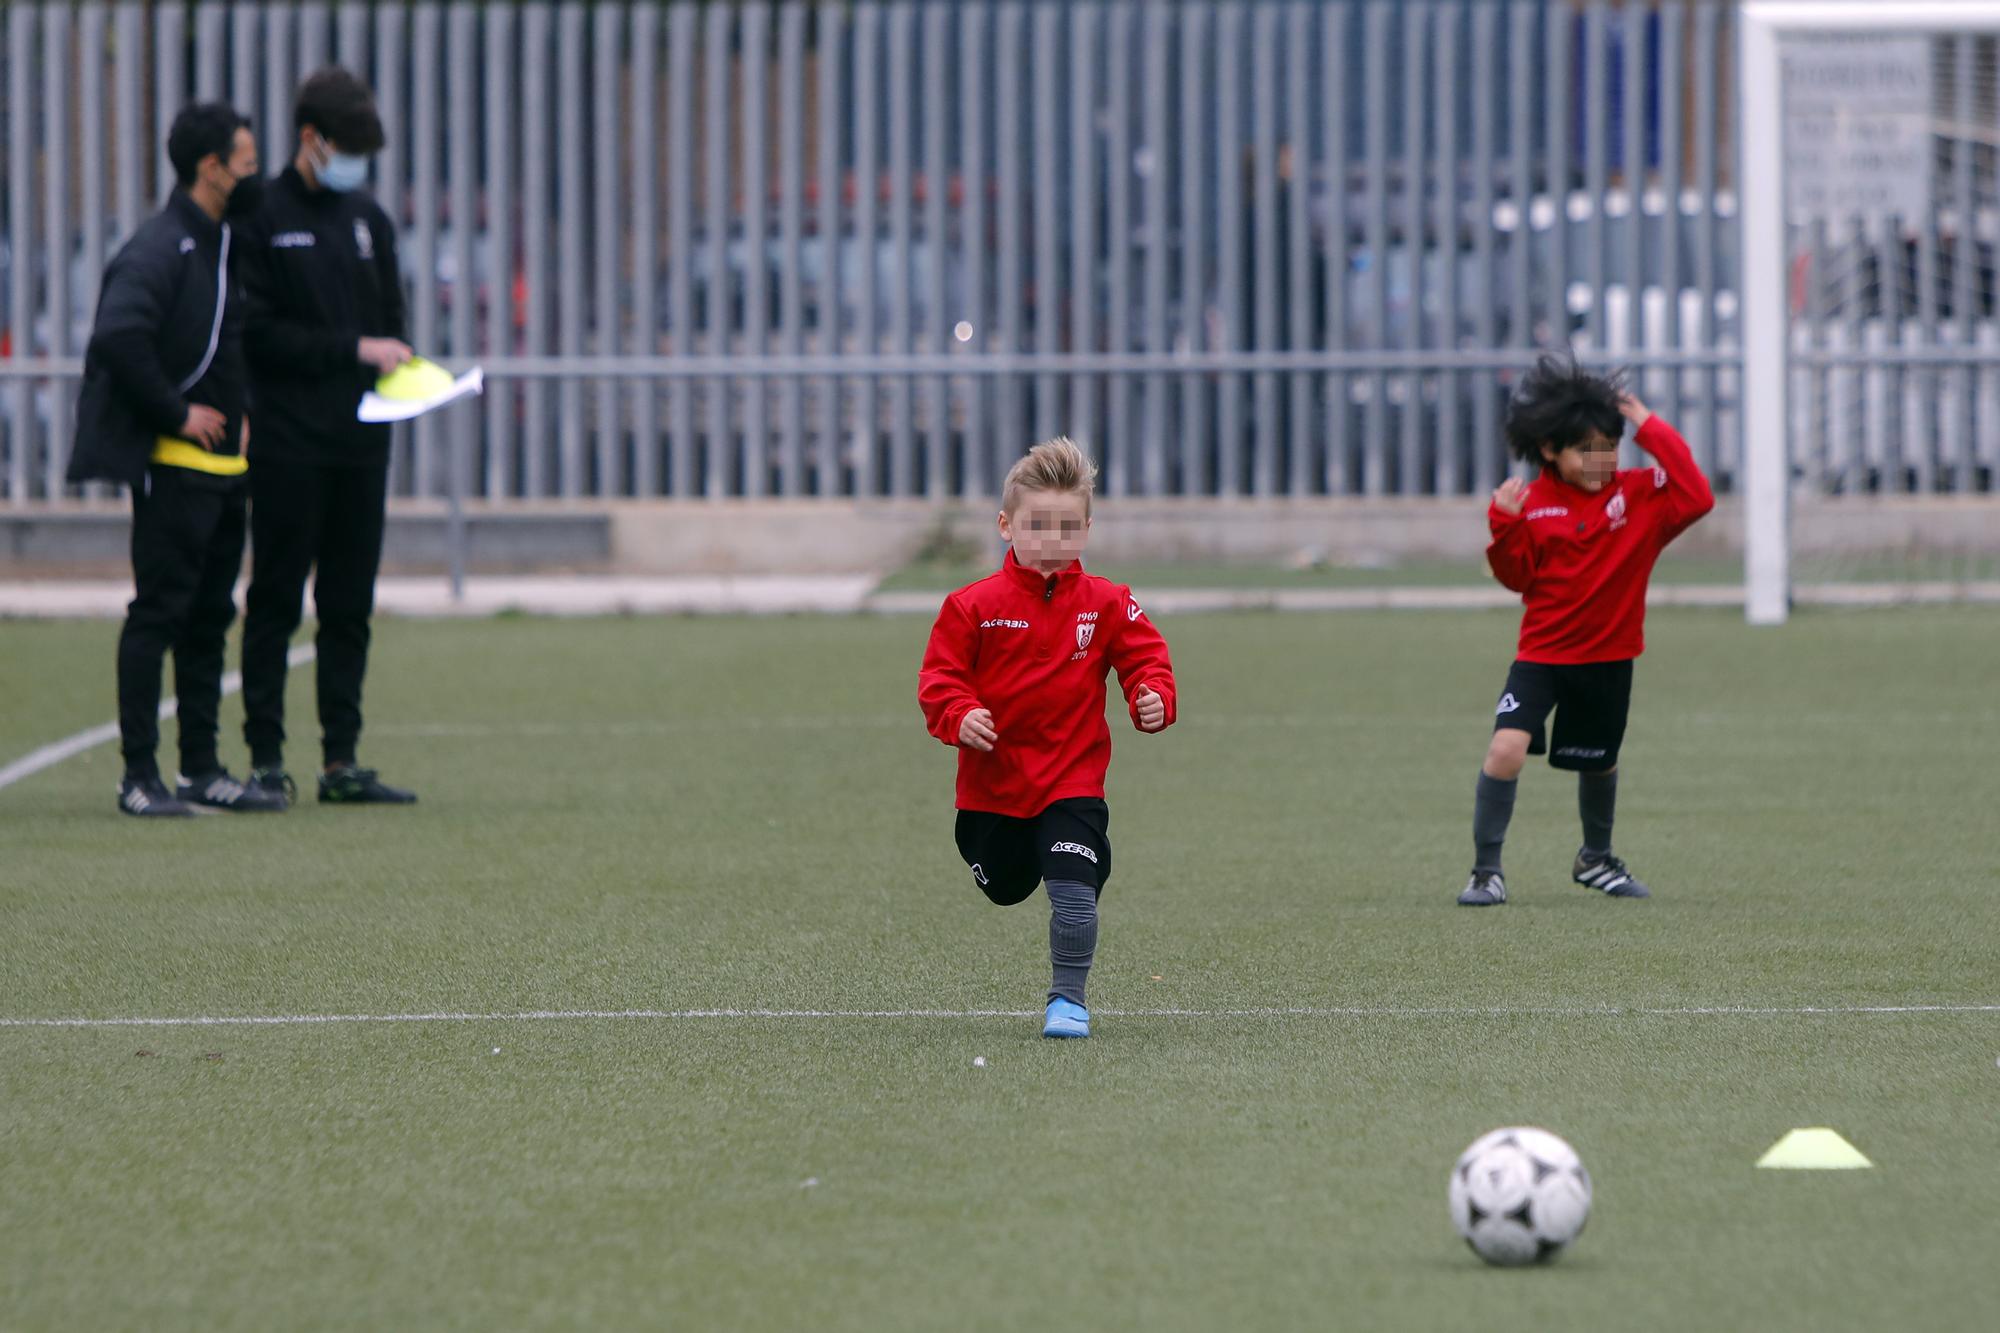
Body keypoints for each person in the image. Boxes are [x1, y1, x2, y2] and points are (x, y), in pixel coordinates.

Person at [918, 437, 1178, 1038]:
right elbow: (940, 679)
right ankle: (1012, 860)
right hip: (994, 791)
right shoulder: (971, 606)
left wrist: (1154, 698)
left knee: (1074, 893)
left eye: (1067, 527)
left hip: (1072, 780)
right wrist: (959, 715)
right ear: (1007, 526)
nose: (1052, 541)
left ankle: (1068, 1000)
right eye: (1038, 525)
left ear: (1086, 528)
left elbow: (1148, 661)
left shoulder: (1109, 602)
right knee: (1007, 886)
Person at [68, 102, 285, 818]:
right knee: (158, 614)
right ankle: (138, 777)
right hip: (173, 468)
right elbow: (117, 338)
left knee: (208, 618)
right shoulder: (161, 247)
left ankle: (200, 768)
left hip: (226, 475)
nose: (256, 175)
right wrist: (177, 412)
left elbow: (227, 344)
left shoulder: (225, 244)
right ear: (210, 168)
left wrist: (240, 408)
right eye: (247, 163)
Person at [1458, 356, 1715, 906]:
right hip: (1542, 658)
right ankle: (1486, 871)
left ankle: (1595, 859)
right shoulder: (1533, 507)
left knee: (1599, 761)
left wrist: (1647, 422)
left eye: (1610, 446)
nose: (1601, 460)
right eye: (1585, 450)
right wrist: (1503, 522)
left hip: (1608, 658)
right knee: (1505, 749)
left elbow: (1698, 495)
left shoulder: (1642, 497)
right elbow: (1517, 578)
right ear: (1549, 450)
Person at [237, 67, 417, 807]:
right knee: (276, 600)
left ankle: (341, 760)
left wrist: (409, 369)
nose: (354, 162)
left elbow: (393, 327)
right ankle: (265, 760)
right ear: (310, 138)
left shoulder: (369, 220)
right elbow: (258, 333)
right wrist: (350, 352)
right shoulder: (261, 215)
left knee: (349, 604)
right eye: (345, 146)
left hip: (362, 447)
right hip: (287, 446)